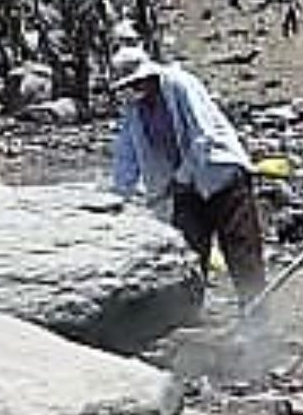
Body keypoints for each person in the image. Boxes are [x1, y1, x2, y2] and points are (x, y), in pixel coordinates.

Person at [108, 46, 266, 304]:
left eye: (138, 81)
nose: (136, 88)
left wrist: (182, 177)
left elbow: (203, 137)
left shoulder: (180, 85)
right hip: (185, 189)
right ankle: (189, 315)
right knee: (189, 255)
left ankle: (256, 318)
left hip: (220, 175)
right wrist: (119, 194)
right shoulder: (135, 108)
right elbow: (128, 152)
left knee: (241, 252)